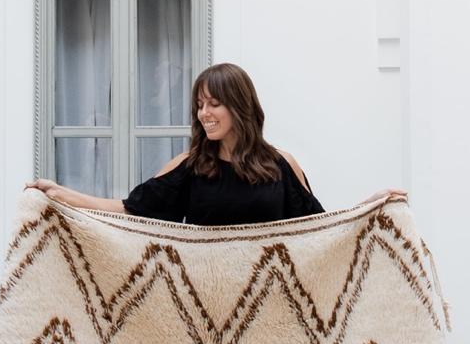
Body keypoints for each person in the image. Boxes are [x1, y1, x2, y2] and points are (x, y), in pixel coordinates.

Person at [29, 60, 407, 226]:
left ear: (239, 106)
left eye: (213, 104)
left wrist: (367, 208)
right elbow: (131, 211)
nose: (203, 114)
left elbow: (320, 230)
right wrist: (65, 195)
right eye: (199, 105)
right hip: (206, 308)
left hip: (270, 307)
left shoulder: (281, 165)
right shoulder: (190, 166)